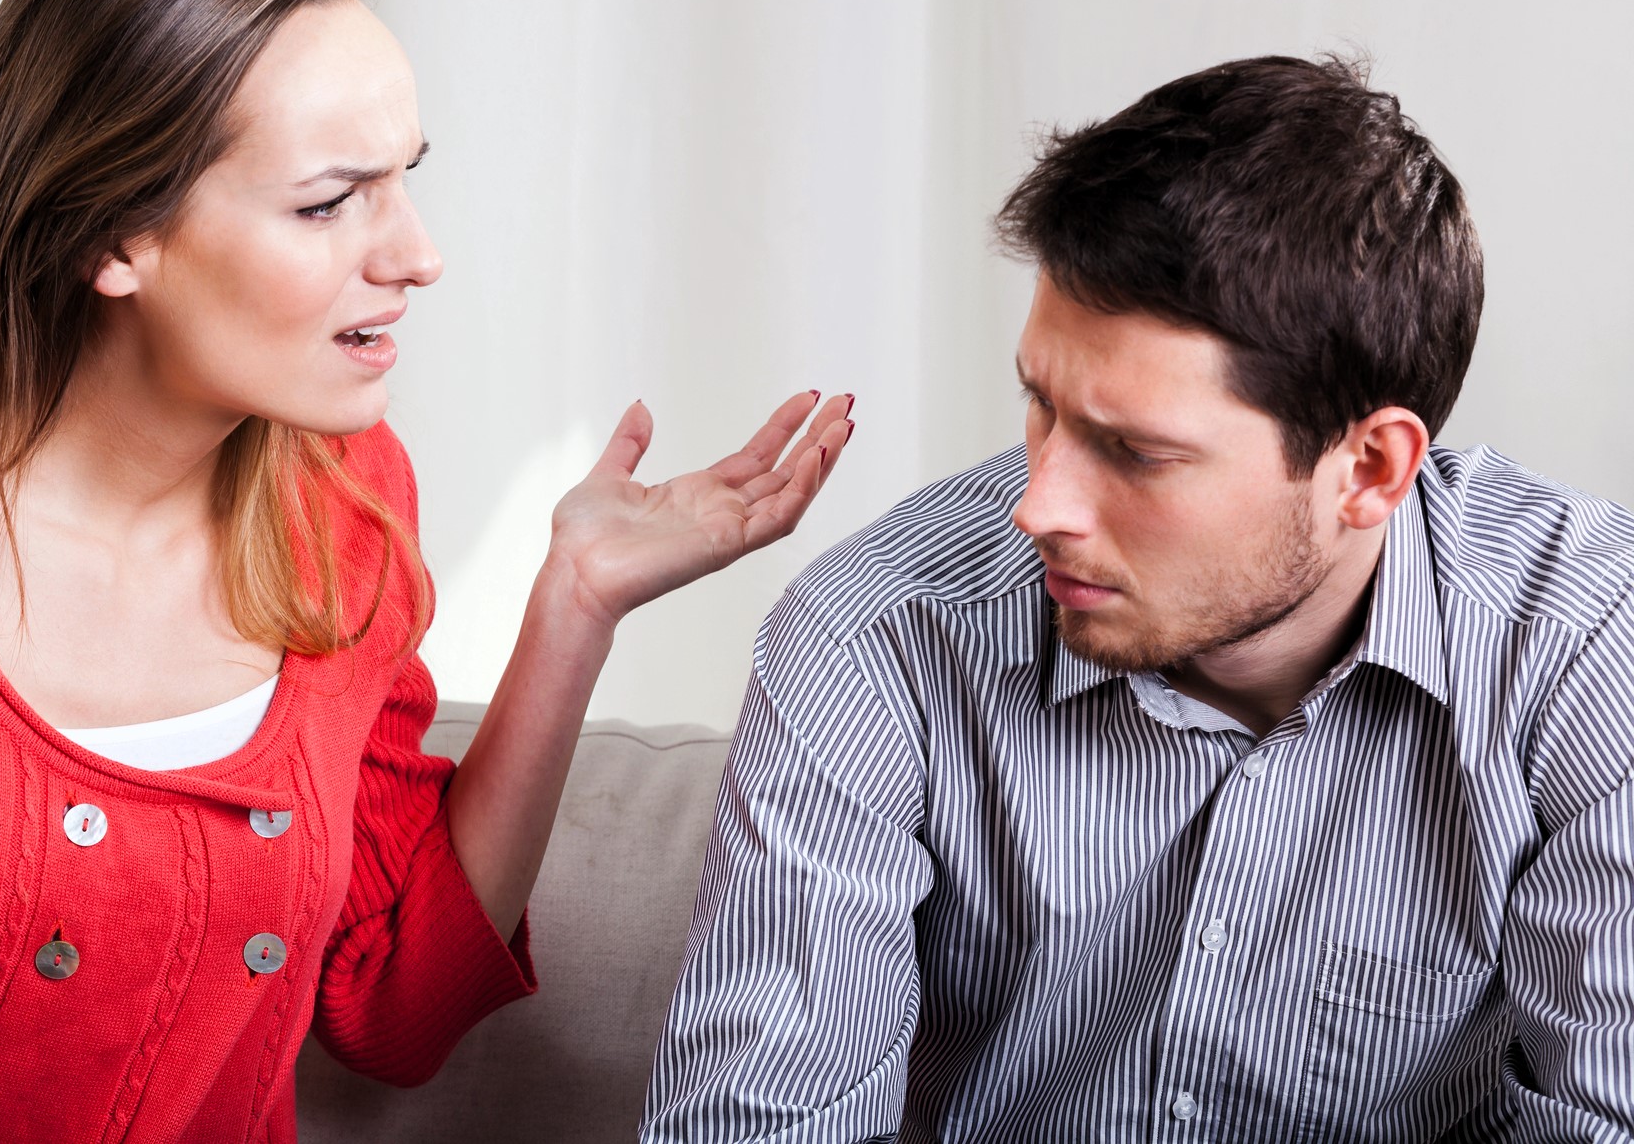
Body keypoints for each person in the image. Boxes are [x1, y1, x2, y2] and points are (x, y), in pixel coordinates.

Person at [0, 0, 854, 1140]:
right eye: (329, 203)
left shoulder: (345, 504)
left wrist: (577, 603)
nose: (417, 254)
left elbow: (394, 1008)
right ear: (114, 233)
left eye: (404, 183)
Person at [640, 55, 1634, 1142]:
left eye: (1135, 451)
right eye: (1040, 405)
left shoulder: (1584, 646)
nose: (1038, 504)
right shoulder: (878, 638)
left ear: (1368, 469)